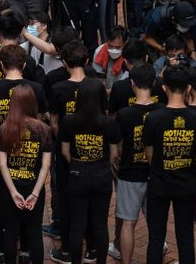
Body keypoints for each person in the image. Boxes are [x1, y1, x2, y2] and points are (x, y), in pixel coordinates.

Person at [142, 65, 196, 264]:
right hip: (187, 184)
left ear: (164, 88)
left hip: (159, 184)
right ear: (188, 88)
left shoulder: (153, 119)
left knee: (155, 239)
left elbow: (149, 155)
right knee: (186, 239)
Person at [60, 78, 119, 264]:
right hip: (101, 173)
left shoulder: (70, 120)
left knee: (77, 225)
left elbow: (64, 151)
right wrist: (100, 164)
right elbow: (115, 153)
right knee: (101, 225)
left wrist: (78, 163)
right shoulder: (108, 122)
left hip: (77, 173)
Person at [0, 83, 53, 264]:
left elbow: (2, 164)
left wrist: (13, 192)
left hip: (11, 187)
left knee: (11, 232)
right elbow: (45, 166)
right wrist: (35, 193)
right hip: (33, 187)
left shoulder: (5, 129)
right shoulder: (44, 129)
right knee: (35, 232)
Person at [113, 63, 158, 264]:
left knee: (128, 223)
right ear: (154, 83)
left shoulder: (124, 115)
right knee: (156, 224)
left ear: (132, 84)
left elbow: (118, 150)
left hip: (130, 172)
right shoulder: (162, 112)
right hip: (156, 174)